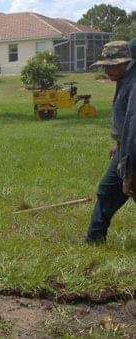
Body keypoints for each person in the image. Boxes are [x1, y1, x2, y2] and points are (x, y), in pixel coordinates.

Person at [85, 40, 136, 244]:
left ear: (123, 63)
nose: (106, 70)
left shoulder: (133, 84)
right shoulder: (124, 78)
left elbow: (133, 124)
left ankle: (94, 238)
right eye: (104, 66)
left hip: (132, 151)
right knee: (108, 191)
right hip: (126, 147)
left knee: (108, 189)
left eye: (109, 65)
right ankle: (94, 237)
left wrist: (130, 168)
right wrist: (118, 143)